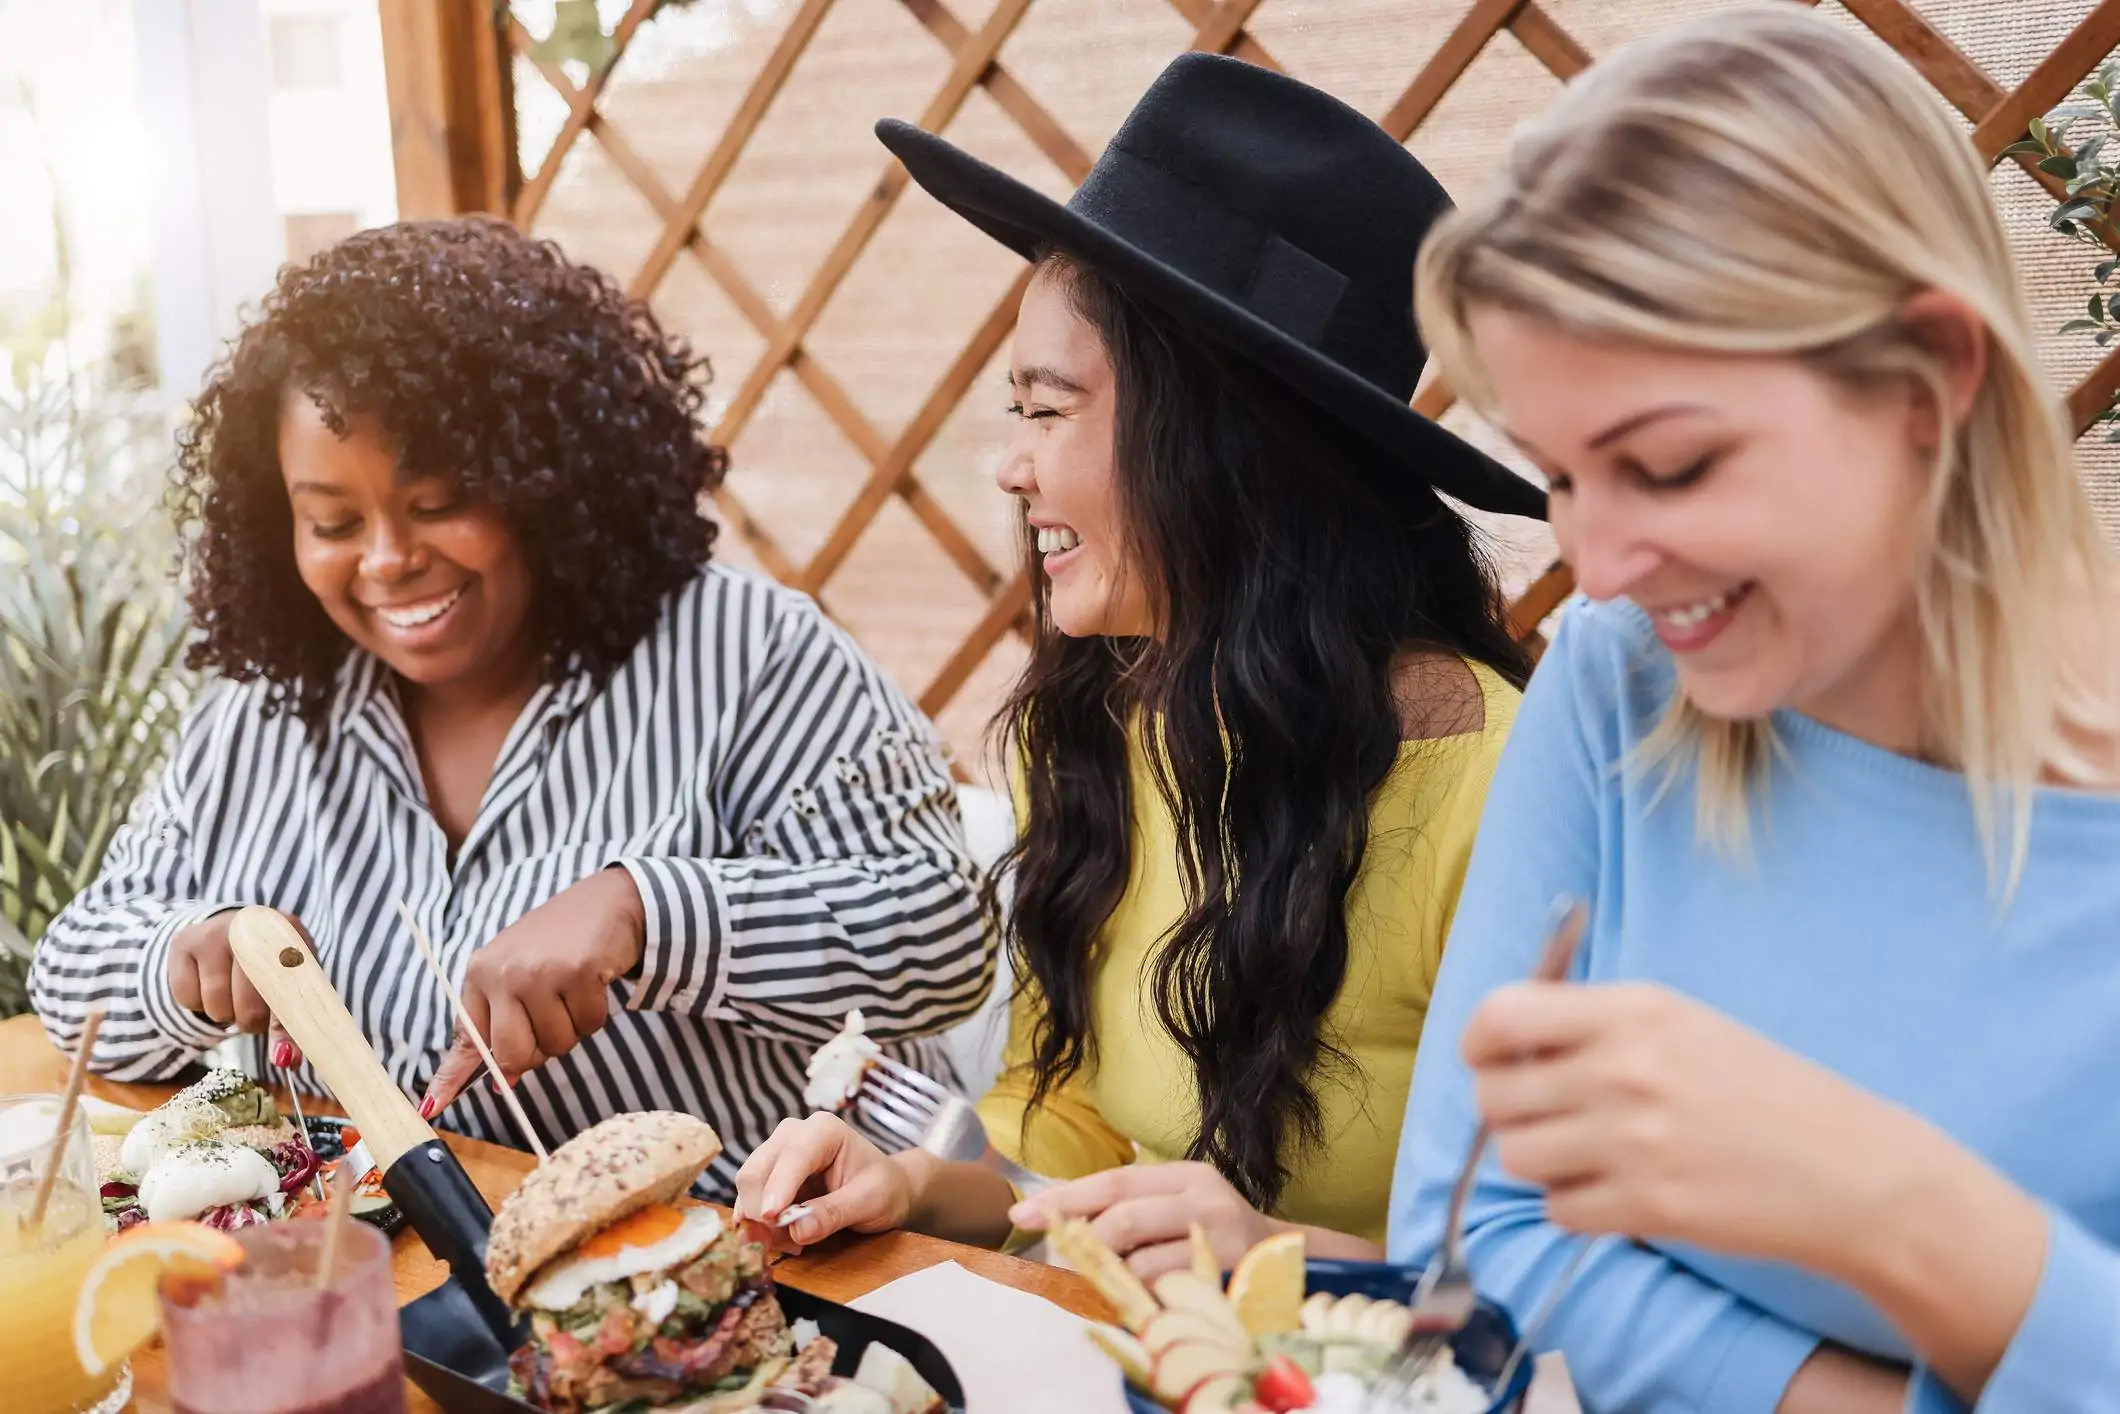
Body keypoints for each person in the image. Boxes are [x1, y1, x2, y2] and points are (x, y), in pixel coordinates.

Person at [1390, 8, 2120, 1412]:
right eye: (1558, 475)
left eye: (1668, 464)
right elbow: (1473, 1236)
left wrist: (1889, 1205)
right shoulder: (1627, 679)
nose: (1594, 567)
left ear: (1931, 379)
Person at [734, 53, 1547, 1275]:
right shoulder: (1108, 718)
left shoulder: (1499, 790)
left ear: (1225, 448)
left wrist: (1283, 1252)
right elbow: (1068, 1135)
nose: (1010, 468)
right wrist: (903, 1182)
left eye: (1046, 410)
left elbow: (1580, 1281)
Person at [29, 218, 992, 1196]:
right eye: (331, 521)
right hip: (408, 1287)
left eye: (439, 500)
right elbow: (69, 971)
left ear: (549, 479)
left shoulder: (748, 656)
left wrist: (649, 913)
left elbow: (945, 928)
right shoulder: (257, 719)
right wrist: (183, 962)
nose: (387, 558)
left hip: (751, 1273)